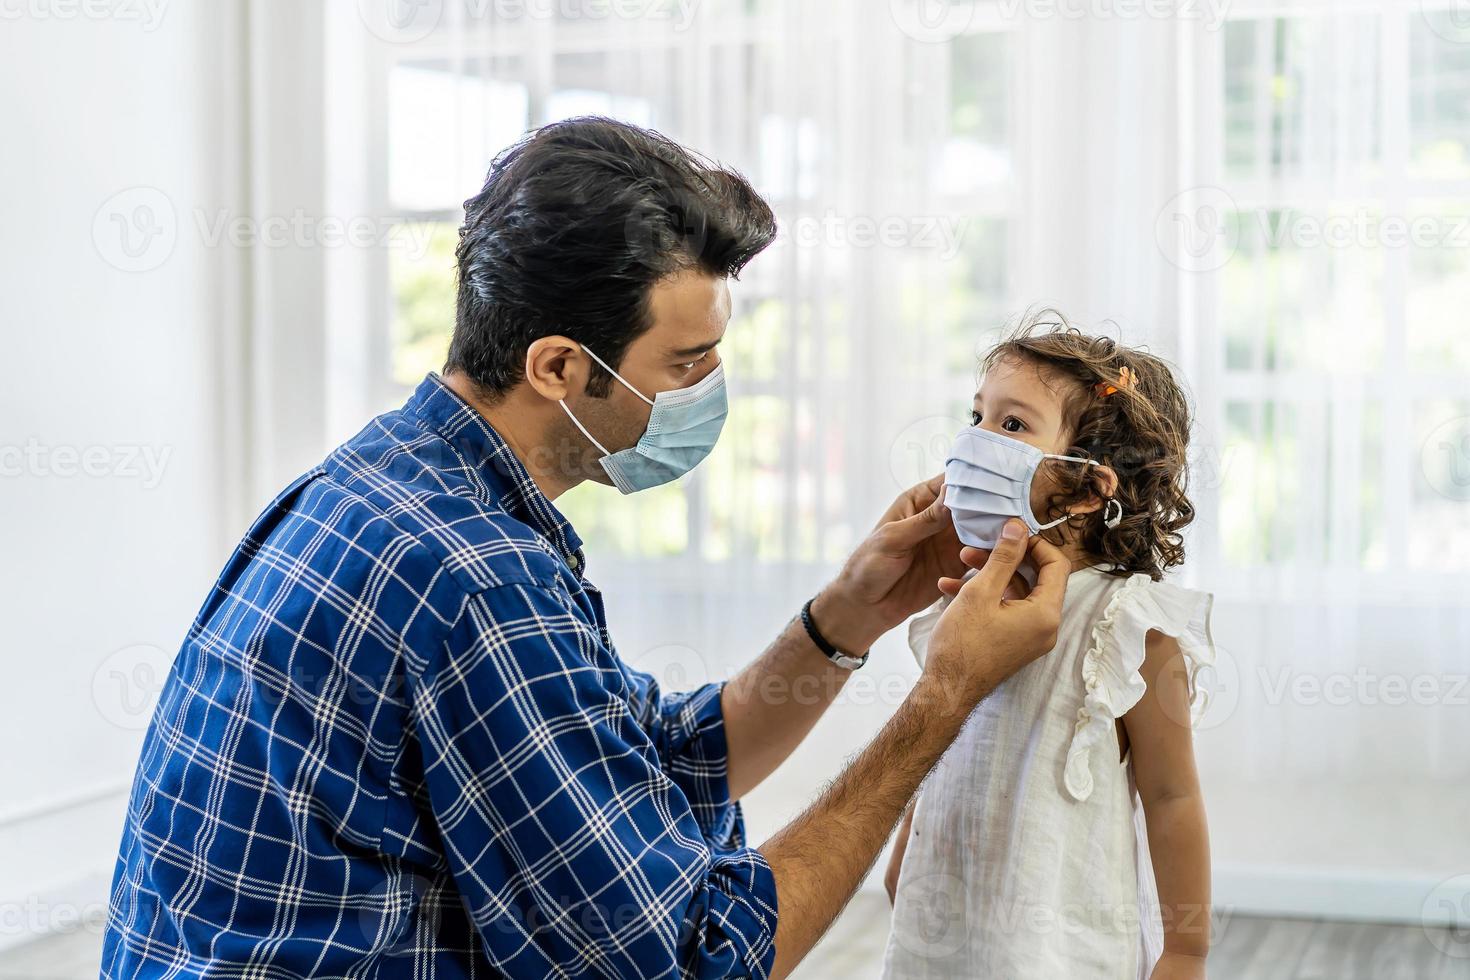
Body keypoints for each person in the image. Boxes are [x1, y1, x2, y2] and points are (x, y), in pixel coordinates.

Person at [100, 117, 1068, 980]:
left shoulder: (388, 479)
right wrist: (944, 693)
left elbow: (647, 763)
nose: (710, 388)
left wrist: (845, 616)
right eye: (685, 363)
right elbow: (690, 960)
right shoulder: (478, 574)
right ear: (559, 366)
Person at [881, 316, 1215, 979]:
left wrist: (1184, 951)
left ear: (1089, 488)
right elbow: (943, 737)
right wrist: (903, 857)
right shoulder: (968, 599)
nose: (974, 440)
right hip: (936, 942)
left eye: (1011, 425)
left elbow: (1173, 795)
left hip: (1058, 954)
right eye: (976, 415)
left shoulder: (1130, 625)